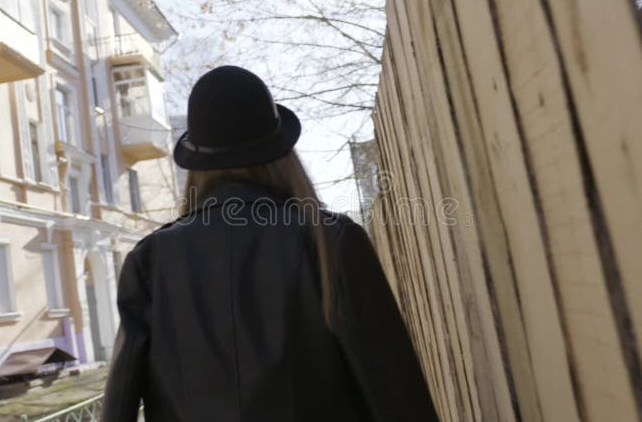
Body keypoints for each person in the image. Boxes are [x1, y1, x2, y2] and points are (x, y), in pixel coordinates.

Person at [101, 65, 439, 422]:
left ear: (198, 163)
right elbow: (397, 393)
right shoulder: (331, 240)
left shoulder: (150, 260)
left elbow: (119, 401)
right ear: (282, 152)